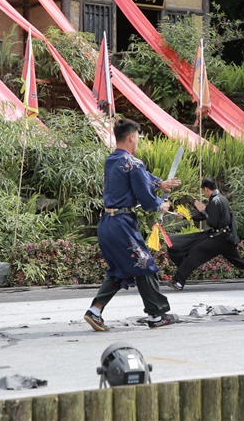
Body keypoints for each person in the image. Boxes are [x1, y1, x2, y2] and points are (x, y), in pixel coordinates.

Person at [84, 118, 182, 331]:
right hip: (121, 225)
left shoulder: (112, 160)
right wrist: (160, 205)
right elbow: (145, 198)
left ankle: (95, 311)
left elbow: (139, 177)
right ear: (131, 137)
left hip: (108, 224)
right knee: (145, 264)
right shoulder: (134, 163)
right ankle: (156, 315)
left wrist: (159, 183)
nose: (138, 142)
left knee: (120, 270)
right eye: (138, 138)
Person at [165, 176, 244, 291]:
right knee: (238, 261)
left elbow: (212, 222)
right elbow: (206, 215)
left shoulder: (216, 200)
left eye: (204, 191)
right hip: (225, 238)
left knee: (195, 252)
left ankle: (179, 282)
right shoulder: (220, 198)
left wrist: (203, 210)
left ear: (206, 189)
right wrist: (187, 216)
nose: (204, 193)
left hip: (219, 239)